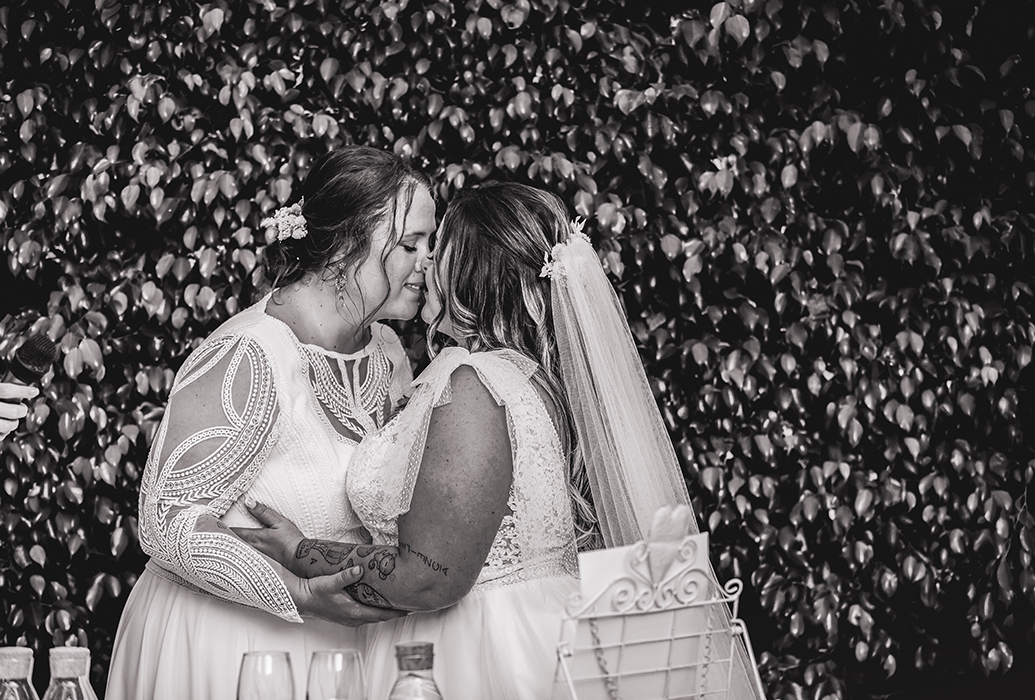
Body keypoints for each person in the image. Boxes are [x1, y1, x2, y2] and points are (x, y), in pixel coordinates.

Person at [236, 182, 713, 699]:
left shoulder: (476, 382)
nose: (424, 264)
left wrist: (298, 551)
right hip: (535, 628)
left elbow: (429, 577)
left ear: (471, 270)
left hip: (480, 647)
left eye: (439, 249)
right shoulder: (528, 379)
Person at [106, 146, 437, 700]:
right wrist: (296, 592)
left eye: (430, 244)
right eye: (409, 245)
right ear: (344, 246)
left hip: (344, 654)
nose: (428, 261)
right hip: (226, 649)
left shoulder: (386, 350)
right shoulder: (251, 353)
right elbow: (167, 522)